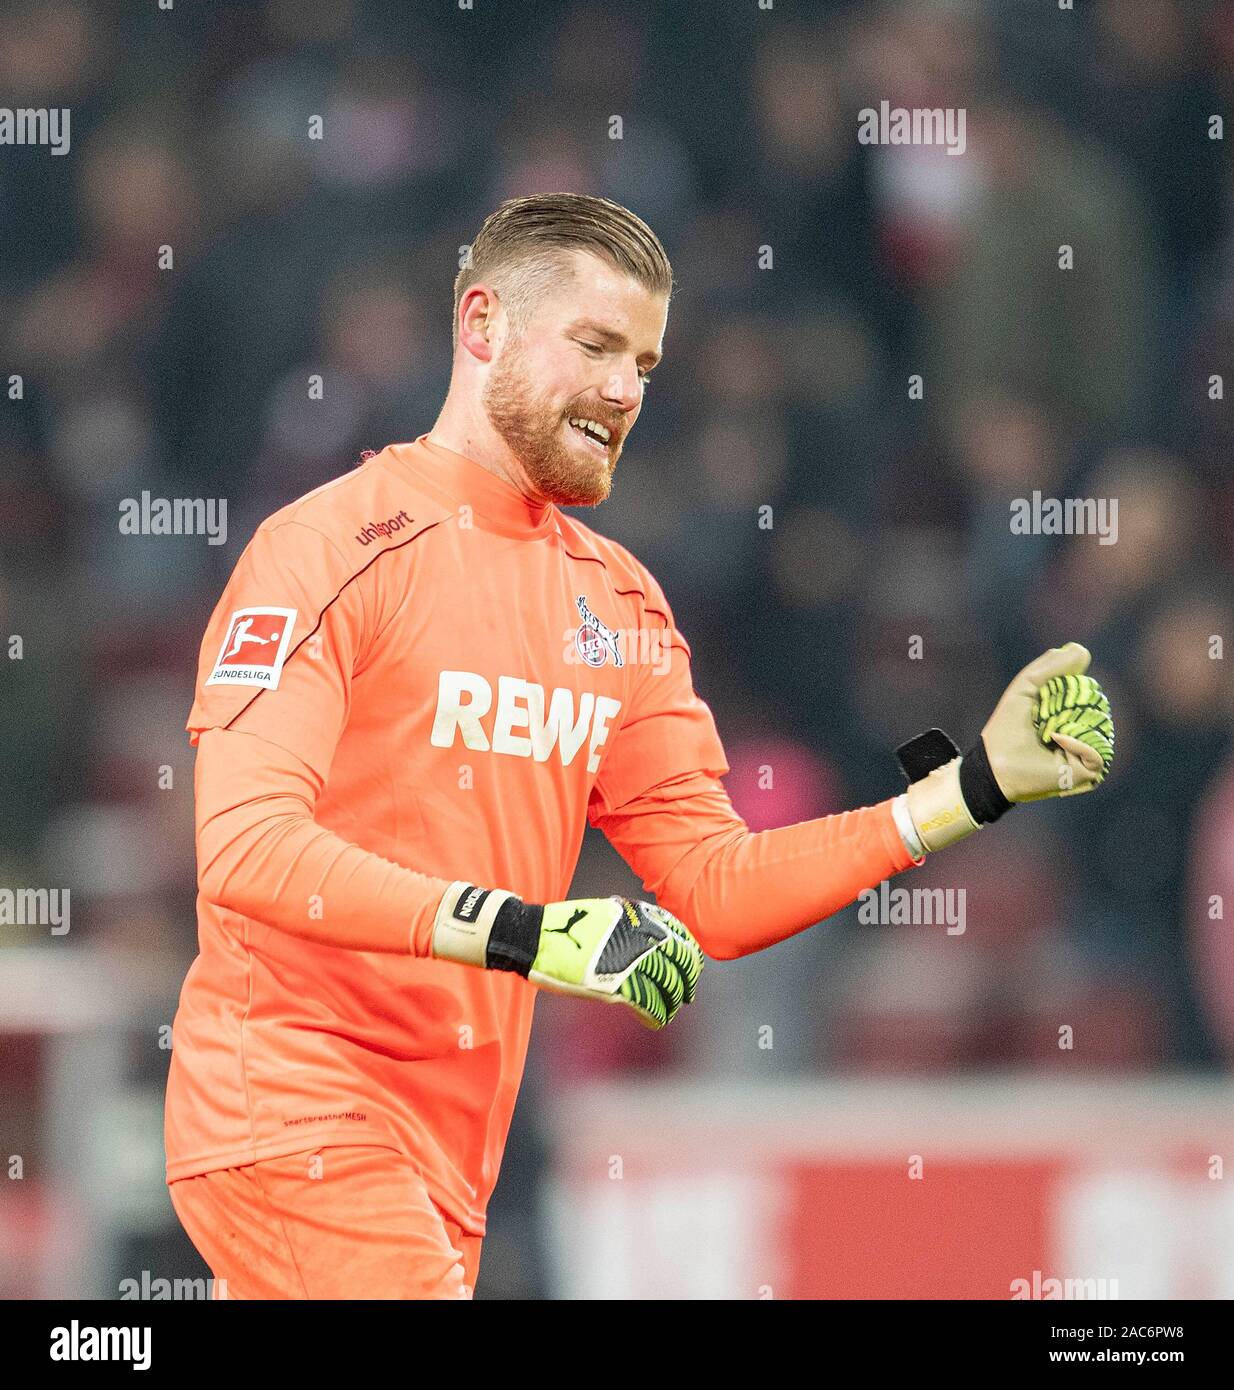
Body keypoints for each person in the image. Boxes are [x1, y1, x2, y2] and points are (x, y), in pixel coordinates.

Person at [165, 193, 1110, 1299]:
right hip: (291, 1109)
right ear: (482, 326)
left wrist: (973, 788)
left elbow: (714, 888)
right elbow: (245, 848)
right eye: (597, 346)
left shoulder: (619, 605)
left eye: (647, 364)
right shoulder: (327, 546)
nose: (625, 390)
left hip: (447, 1156)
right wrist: (522, 929)